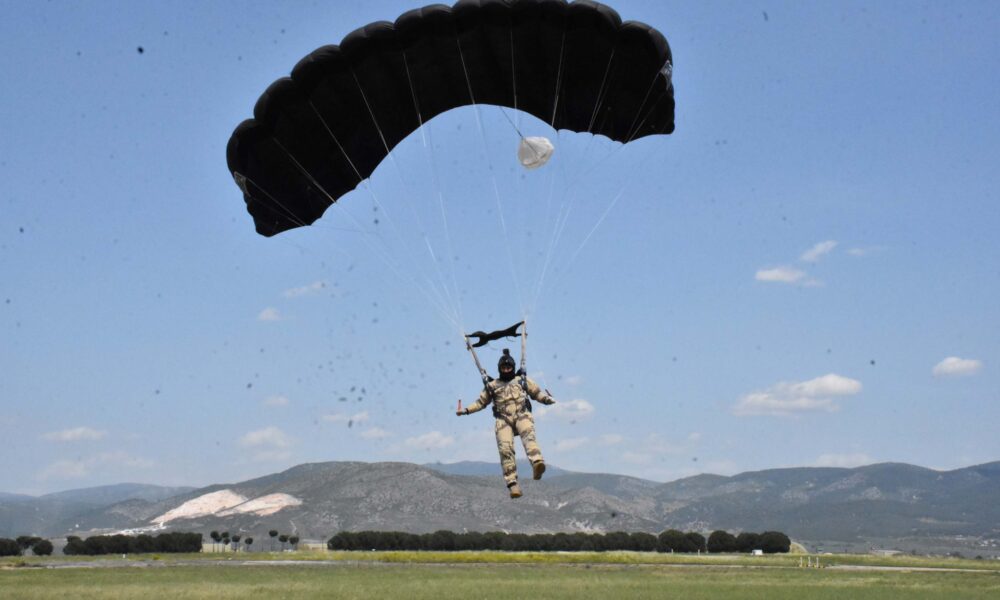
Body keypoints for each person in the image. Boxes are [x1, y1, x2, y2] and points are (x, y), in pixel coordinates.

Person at [457, 349, 555, 498]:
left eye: (509, 367)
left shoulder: (522, 380)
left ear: (513, 367)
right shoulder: (492, 386)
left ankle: (537, 464)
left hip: (522, 414)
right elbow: (480, 403)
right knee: (505, 449)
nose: (506, 370)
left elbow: (536, 393)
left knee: (529, 436)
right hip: (503, 420)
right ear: (499, 369)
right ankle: (512, 484)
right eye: (503, 368)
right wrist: (466, 410)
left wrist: (547, 399)